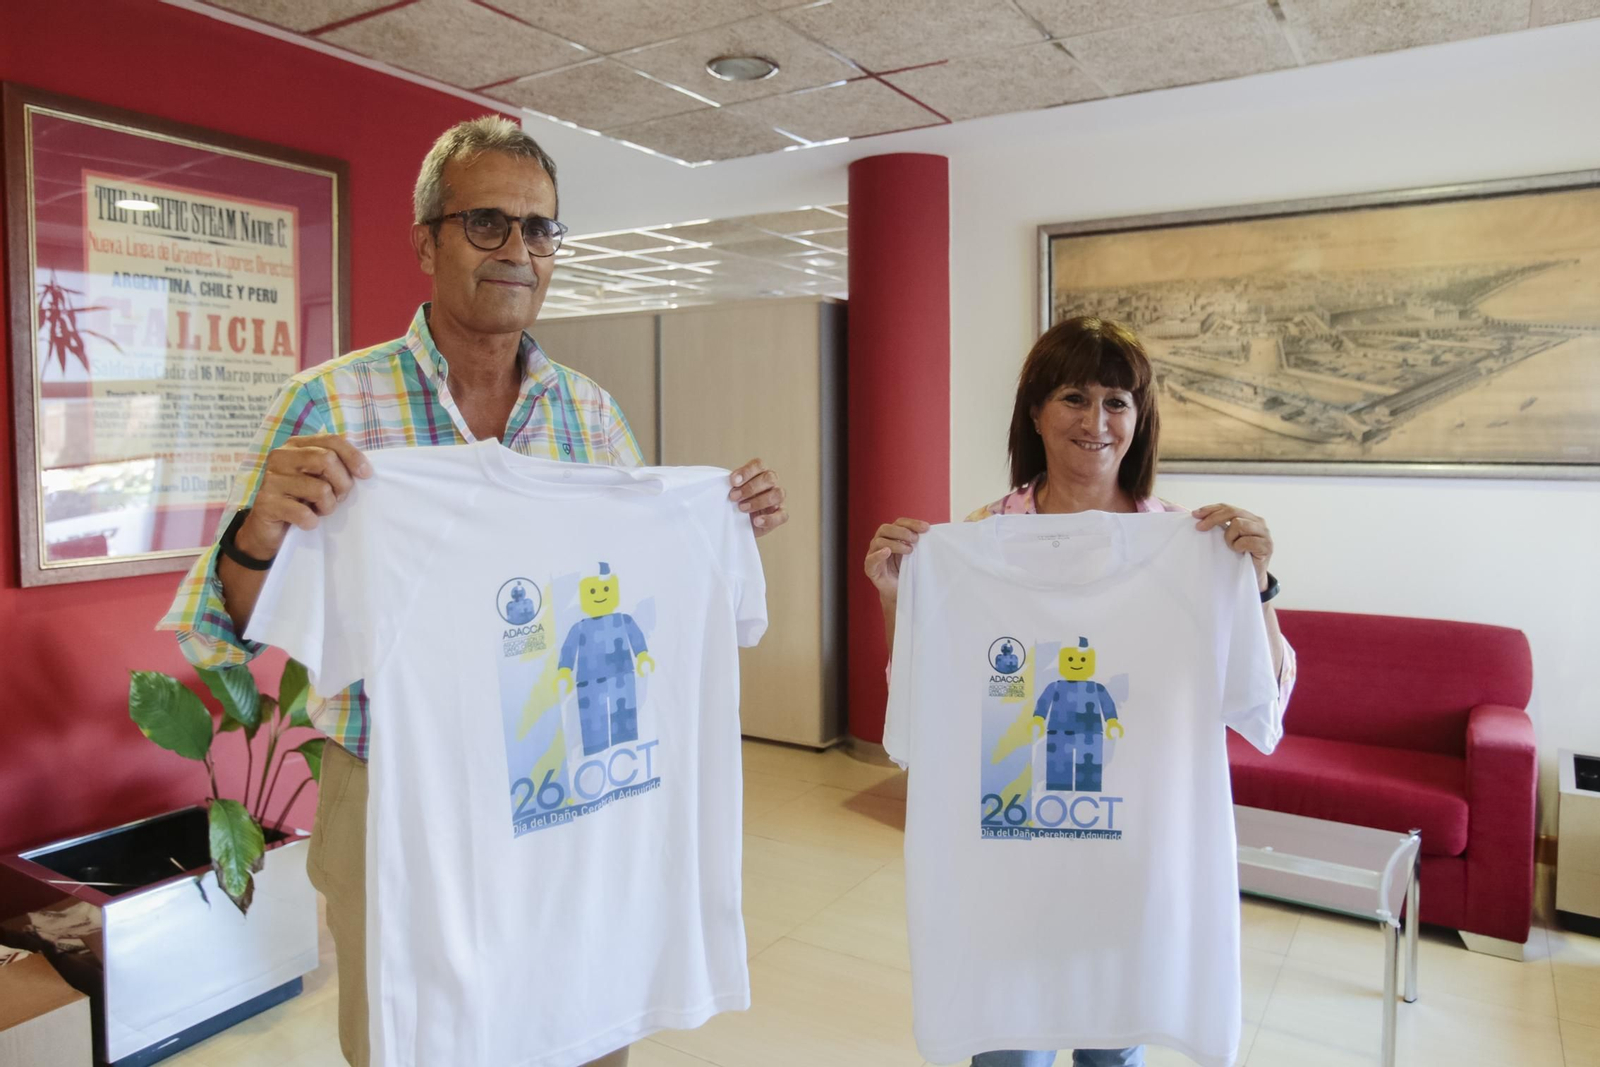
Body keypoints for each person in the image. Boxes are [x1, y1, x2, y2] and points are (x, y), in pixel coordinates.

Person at [159, 115, 788, 1067]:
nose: (517, 250)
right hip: (398, 792)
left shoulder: (590, 414)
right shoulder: (331, 406)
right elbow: (220, 636)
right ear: (427, 242)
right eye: (487, 222)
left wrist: (717, 528)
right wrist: (258, 535)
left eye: (540, 229)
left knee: (584, 1027)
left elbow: (625, 588)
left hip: (566, 789)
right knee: (421, 1043)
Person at [863, 316, 1295, 1067]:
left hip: (1129, 860)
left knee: (1112, 1049)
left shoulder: (1190, 543)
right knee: (1009, 1051)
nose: (1096, 421)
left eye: (1116, 402)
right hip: (1011, 861)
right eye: (1073, 398)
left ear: (1139, 418)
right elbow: (927, 707)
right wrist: (898, 595)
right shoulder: (978, 540)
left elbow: (1261, 699)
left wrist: (1255, 587)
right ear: (1035, 412)